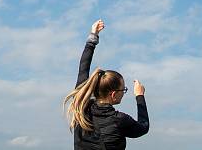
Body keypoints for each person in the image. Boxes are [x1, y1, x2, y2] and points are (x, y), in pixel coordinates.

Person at [64, 19, 149, 149]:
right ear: (113, 94)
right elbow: (143, 127)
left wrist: (93, 36)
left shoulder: (81, 108)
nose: (123, 93)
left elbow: (83, 68)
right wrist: (140, 96)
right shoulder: (120, 120)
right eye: (123, 90)